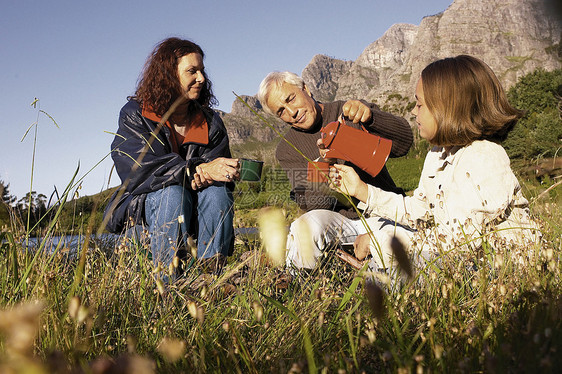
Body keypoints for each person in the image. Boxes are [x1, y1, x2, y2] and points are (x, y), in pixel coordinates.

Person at [315, 54, 539, 273]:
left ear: (447, 108)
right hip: (466, 263)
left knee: (390, 279)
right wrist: (361, 190)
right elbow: (420, 211)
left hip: (500, 271)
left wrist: (378, 243)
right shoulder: (438, 153)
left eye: (419, 104)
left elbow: (458, 244)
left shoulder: (483, 157)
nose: (413, 111)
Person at [103, 38, 238, 281]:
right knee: (172, 193)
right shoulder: (136, 114)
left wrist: (222, 172)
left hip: (195, 209)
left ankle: (213, 277)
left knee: (218, 193)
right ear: (168, 75)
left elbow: (215, 175)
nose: (202, 79)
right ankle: (167, 284)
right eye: (192, 71)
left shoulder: (211, 122)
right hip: (142, 213)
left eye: (202, 71)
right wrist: (194, 170)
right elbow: (138, 170)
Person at [257, 71, 413, 271]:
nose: (291, 112)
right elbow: (314, 206)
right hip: (341, 224)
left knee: (393, 273)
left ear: (306, 89)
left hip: (383, 213)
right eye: (281, 111)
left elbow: (404, 143)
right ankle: (300, 286)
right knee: (304, 226)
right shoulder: (287, 149)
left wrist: (372, 118)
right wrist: (325, 162)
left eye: (291, 99)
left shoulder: (350, 110)